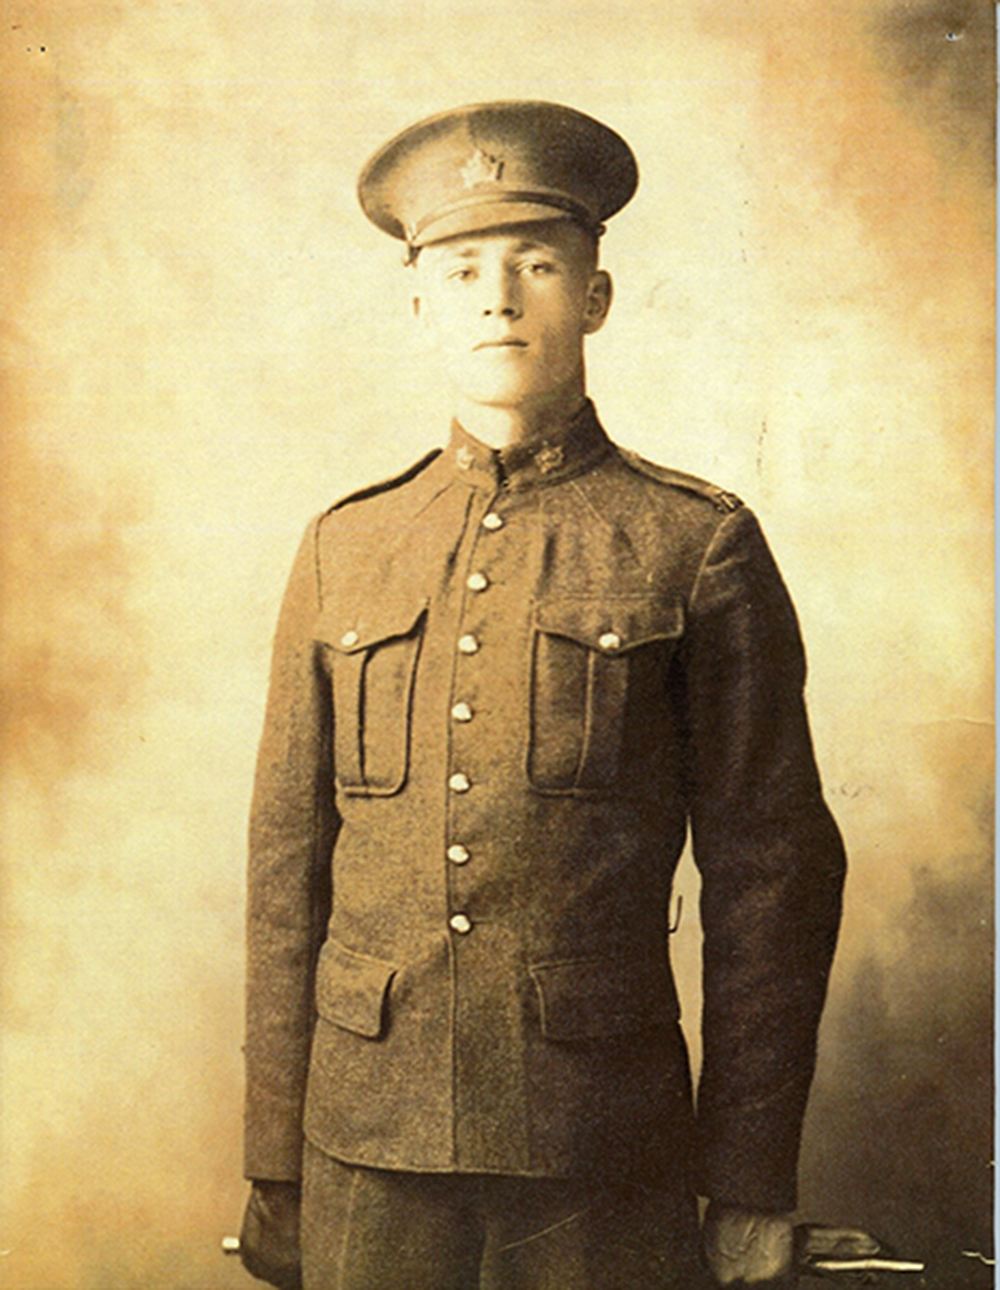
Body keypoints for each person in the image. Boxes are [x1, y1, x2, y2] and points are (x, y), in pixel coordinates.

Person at [238, 101, 846, 1289]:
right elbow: (282, 871)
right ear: (417, 309)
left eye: (536, 265)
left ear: (597, 299)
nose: (497, 299)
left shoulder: (692, 544)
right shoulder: (343, 548)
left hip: (599, 1141)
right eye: (461, 270)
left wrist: (752, 1178)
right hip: (365, 1141)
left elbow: (771, 880)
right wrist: (275, 1160)